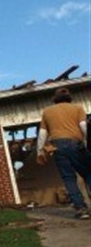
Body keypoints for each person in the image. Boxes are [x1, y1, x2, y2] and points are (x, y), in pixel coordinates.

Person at [37, 87, 91, 219]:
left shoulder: (47, 112)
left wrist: (40, 151)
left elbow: (42, 134)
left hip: (57, 147)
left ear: (55, 99)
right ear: (69, 98)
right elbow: (84, 127)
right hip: (75, 144)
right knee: (88, 172)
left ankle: (81, 209)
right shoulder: (78, 108)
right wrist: (87, 144)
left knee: (68, 178)